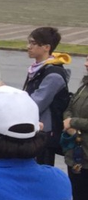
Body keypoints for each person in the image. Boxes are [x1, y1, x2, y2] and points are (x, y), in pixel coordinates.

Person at [22, 26, 72, 167]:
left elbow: (36, 103)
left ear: (46, 47)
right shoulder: (38, 68)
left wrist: (9, 96)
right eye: (29, 42)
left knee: (41, 168)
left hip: (45, 132)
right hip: (35, 127)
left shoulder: (53, 74)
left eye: (33, 43)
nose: (28, 47)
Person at [60, 54, 88, 200]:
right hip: (78, 155)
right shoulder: (84, 84)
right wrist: (68, 122)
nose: (85, 63)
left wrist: (73, 123)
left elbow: (73, 117)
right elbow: (69, 107)